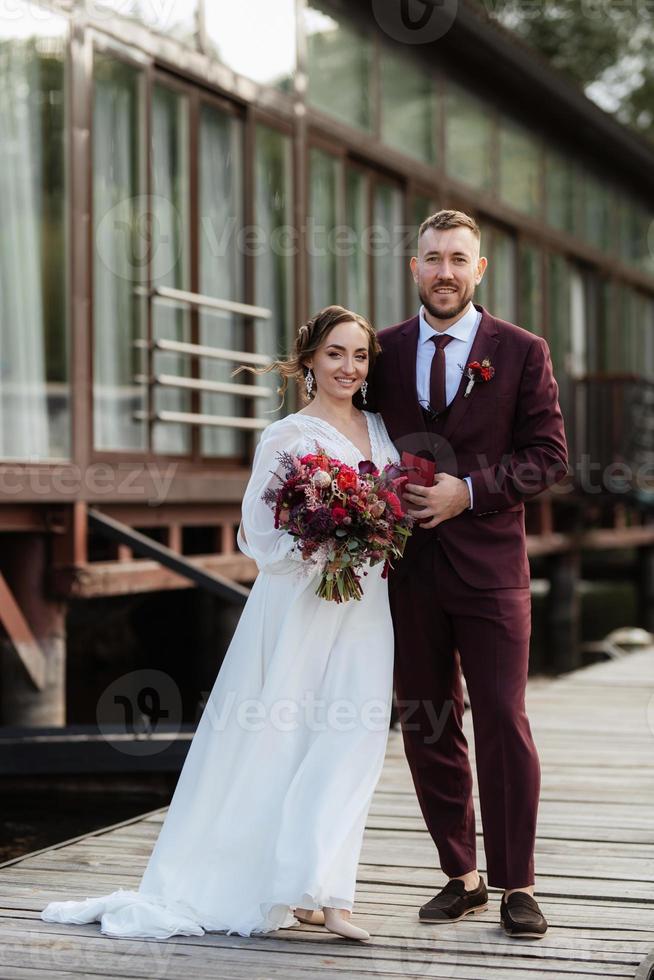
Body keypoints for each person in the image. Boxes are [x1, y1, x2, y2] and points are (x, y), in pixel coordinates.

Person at [40, 305, 402, 942]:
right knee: (284, 738)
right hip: (302, 607)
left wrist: (372, 530)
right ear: (310, 360)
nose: (349, 367)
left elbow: (397, 508)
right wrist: (328, 539)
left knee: (354, 739)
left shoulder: (379, 426)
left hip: (368, 605)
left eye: (361, 356)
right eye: (336, 354)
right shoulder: (287, 436)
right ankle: (294, 886)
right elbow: (257, 538)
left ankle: (327, 890)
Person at [366, 209, 568, 939]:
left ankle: (518, 882)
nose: (444, 271)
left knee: (504, 722)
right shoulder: (380, 352)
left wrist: (470, 492)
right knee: (429, 720)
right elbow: (352, 434)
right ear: (413, 267)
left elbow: (548, 455)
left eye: (458, 259)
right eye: (432, 258)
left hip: (490, 570)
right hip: (407, 571)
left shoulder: (520, 351)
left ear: (478, 271)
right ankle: (462, 874)